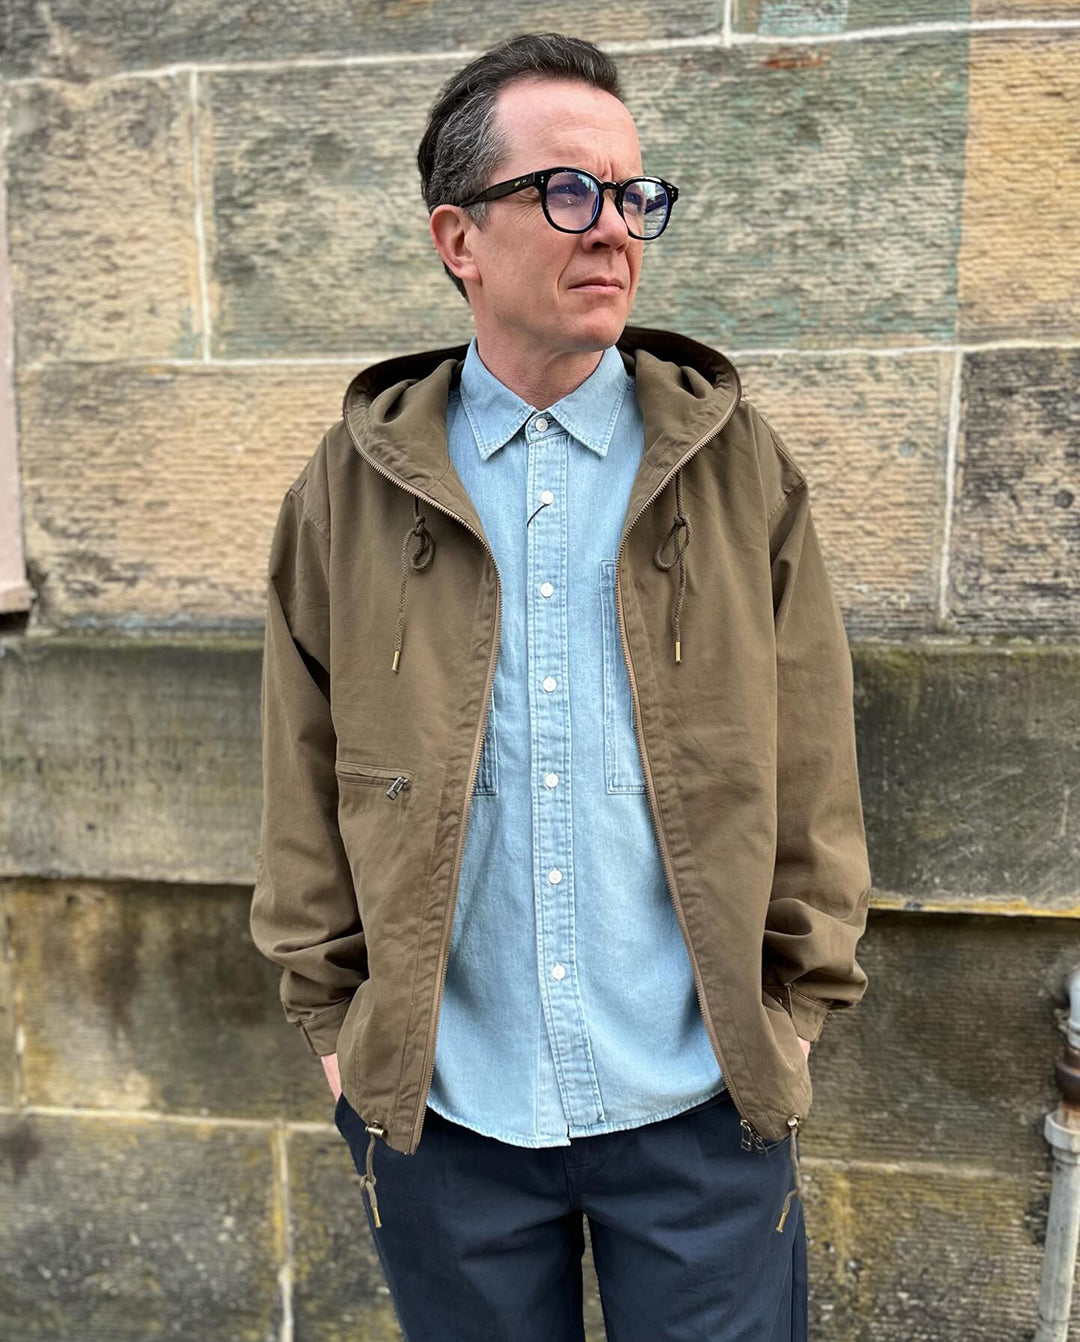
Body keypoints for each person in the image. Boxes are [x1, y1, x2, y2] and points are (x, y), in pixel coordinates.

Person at [249, 30, 872, 1342]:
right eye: (569, 192)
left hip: (699, 1106)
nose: (616, 230)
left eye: (634, 194)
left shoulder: (733, 466)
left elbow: (814, 762)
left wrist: (793, 1016)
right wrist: (338, 1030)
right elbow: (301, 774)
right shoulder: (351, 487)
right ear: (458, 238)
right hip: (448, 1117)